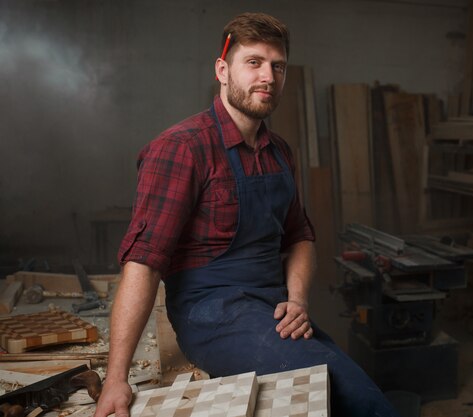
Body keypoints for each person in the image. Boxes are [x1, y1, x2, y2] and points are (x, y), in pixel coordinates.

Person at [94, 12, 400, 417]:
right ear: (223, 70)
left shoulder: (279, 153)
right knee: (354, 398)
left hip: (270, 308)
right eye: (253, 62)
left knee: (356, 386)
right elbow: (144, 263)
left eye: (278, 66)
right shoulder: (182, 148)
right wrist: (117, 378)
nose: (268, 77)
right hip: (211, 316)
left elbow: (299, 236)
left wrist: (297, 301)